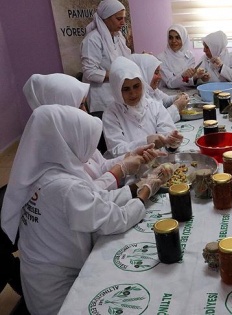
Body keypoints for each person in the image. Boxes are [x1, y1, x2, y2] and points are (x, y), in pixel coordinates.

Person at [0, 105, 169, 314]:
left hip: (40, 284)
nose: (90, 152)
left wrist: (136, 186)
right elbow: (117, 220)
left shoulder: (41, 171)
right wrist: (146, 191)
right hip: (60, 299)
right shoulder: (65, 186)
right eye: (86, 143)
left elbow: (96, 199)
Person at [22, 73, 164, 190]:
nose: (86, 113)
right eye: (80, 105)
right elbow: (88, 197)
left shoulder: (74, 136)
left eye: (85, 104)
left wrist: (131, 155)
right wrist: (122, 171)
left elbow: (101, 165)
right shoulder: (53, 163)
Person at [103, 56, 183, 158]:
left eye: (136, 86)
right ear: (116, 90)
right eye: (126, 89)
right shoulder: (111, 114)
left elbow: (167, 133)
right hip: (129, 170)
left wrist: (172, 142)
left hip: (159, 163)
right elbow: (117, 150)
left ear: (142, 83)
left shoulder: (154, 106)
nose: (133, 93)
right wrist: (146, 141)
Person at [81, 0, 131, 113]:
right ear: (106, 18)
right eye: (119, 19)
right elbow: (89, 71)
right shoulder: (92, 40)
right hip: (101, 97)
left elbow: (124, 60)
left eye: (124, 18)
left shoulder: (118, 37)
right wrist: (116, 74)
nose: (123, 22)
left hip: (118, 93)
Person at [129, 53, 189, 123]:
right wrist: (177, 107)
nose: (160, 77)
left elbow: (165, 100)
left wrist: (176, 98)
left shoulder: (151, 89)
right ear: (144, 73)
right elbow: (156, 122)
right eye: (156, 72)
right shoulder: (137, 97)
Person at [157, 24, 197, 88]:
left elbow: (189, 79)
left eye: (177, 37)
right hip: (167, 93)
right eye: (170, 38)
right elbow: (170, 83)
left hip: (187, 90)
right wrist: (183, 76)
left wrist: (197, 77)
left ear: (183, 38)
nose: (173, 41)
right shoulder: (161, 58)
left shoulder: (190, 56)